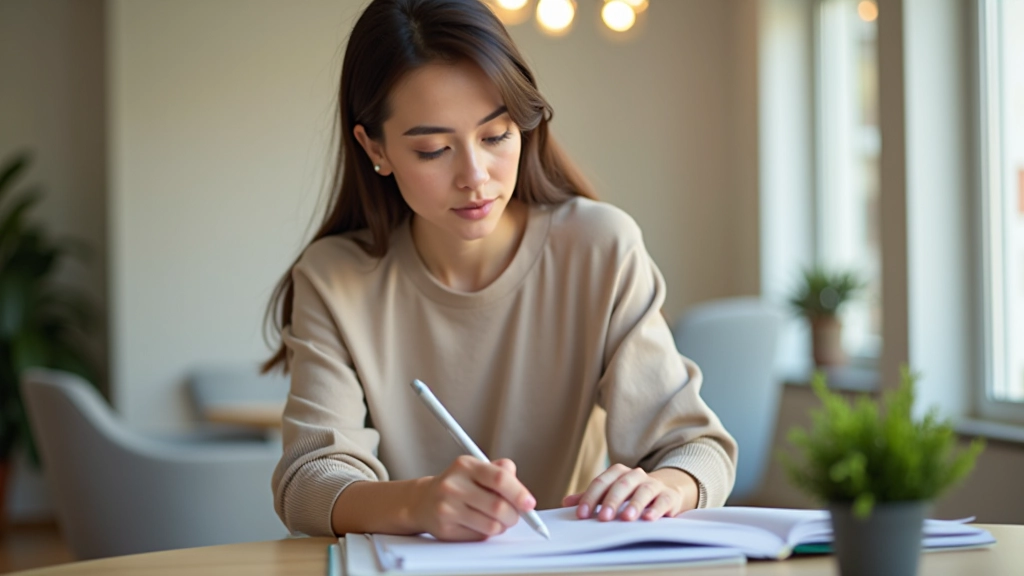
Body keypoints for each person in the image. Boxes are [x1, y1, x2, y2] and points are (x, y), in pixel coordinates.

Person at [264, 0, 737, 542]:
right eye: (433, 149)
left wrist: (669, 485)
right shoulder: (334, 278)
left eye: (495, 136)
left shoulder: (599, 248)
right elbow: (306, 482)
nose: (475, 176)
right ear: (376, 148)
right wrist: (418, 503)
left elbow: (695, 448)